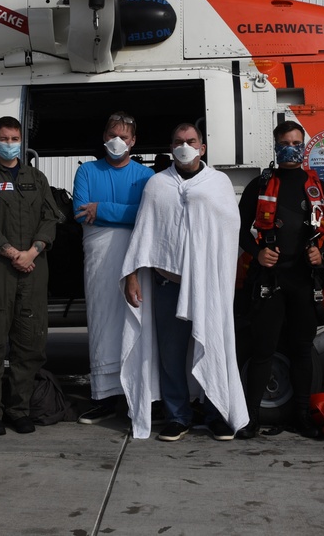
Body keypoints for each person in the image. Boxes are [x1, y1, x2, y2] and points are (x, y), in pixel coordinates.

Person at [120, 123, 248, 441]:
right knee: (170, 354)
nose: (185, 146)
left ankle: (218, 412)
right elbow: (144, 233)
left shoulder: (217, 183)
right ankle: (178, 415)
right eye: (178, 142)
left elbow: (230, 230)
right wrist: (132, 275)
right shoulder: (157, 185)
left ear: (202, 147)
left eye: (191, 141)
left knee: (214, 345)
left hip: (209, 285)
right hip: (168, 284)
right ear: (171, 148)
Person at [237, 120, 324, 439]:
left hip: (303, 281)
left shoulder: (318, 188)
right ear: (275, 145)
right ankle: (252, 417)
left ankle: (301, 415)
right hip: (269, 280)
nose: (290, 148)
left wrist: (322, 254)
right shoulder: (259, 186)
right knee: (263, 350)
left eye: (296, 142)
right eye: (284, 142)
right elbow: (240, 229)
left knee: (301, 350)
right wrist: (257, 253)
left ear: (304, 146)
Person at [0, 116, 61, 436]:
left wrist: (32, 251)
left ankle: (19, 409)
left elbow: (50, 217)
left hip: (33, 268)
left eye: (15, 138)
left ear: (22, 140)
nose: (9, 143)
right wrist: (11, 253)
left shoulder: (37, 177)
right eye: (4, 138)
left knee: (29, 344)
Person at [72, 111, 153, 424]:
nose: (117, 141)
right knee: (103, 323)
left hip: (136, 259)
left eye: (124, 136)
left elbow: (147, 215)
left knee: (138, 323)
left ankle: (142, 394)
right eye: (111, 135)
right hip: (100, 260)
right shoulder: (87, 172)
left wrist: (102, 209)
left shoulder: (145, 176)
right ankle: (105, 397)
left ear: (133, 141)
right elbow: (80, 213)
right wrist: (126, 214)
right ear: (103, 137)